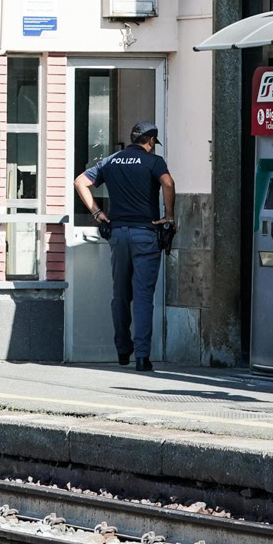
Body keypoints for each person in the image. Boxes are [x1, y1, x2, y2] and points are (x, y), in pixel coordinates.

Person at [72, 121, 176, 371]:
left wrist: (97, 213)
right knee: (142, 296)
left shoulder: (111, 160)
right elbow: (168, 184)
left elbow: (80, 182)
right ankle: (141, 357)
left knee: (120, 295)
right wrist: (169, 216)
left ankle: (122, 351)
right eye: (153, 143)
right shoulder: (154, 162)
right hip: (145, 234)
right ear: (150, 141)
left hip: (118, 234)